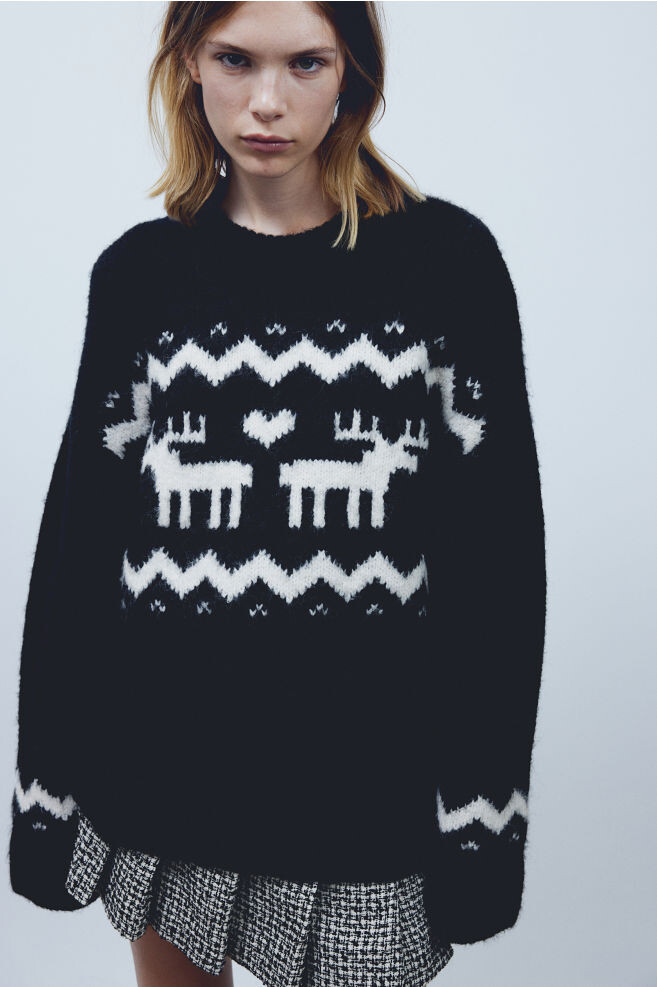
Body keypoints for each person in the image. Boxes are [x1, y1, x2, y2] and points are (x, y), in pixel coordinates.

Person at [8, 2, 547, 986]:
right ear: (189, 62)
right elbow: (81, 544)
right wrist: (46, 793)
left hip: (364, 795)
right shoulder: (141, 276)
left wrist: (481, 818)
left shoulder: (444, 266)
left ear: (352, 73)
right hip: (160, 782)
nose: (266, 102)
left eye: (305, 63)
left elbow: (496, 559)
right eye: (234, 59)